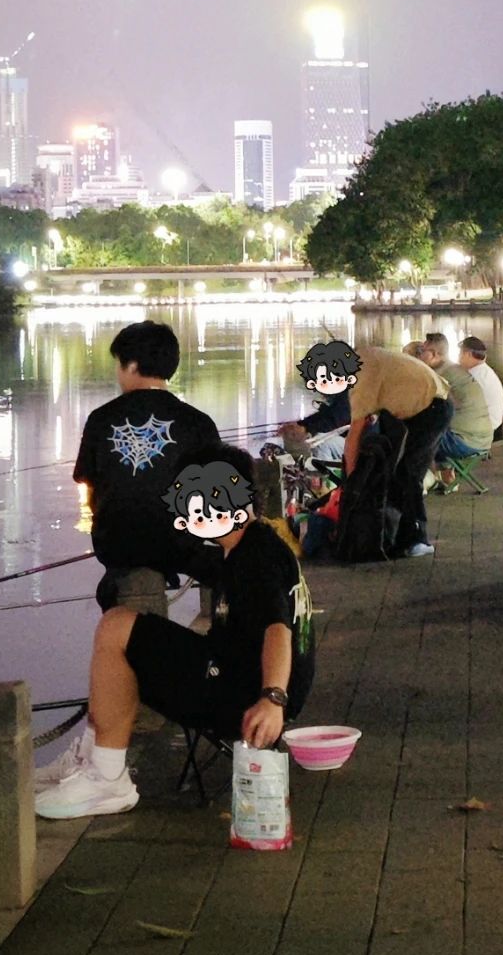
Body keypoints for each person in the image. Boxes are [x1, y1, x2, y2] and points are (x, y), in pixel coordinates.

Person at [35, 447, 314, 819]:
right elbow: (193, 559)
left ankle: (106, 777)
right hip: (240, 679)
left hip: (247, 699)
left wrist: (272, 699)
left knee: (117, 627)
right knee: (124, 638)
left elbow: (277, 630)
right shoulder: (250, 545)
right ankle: (93, 758)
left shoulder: (256, 559)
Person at [73, 322, 224, 608]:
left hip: (118, 546)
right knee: (227, 565)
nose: (118, 373)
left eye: (118, 365)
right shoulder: (198, 422)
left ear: (131, 366)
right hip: (181, 543)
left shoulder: (100, 419)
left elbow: (86, 479)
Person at [341, 344, 452, 557]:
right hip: (427, 402)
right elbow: (389, 388)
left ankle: (417, 538)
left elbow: (353, 436)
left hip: (431, 410)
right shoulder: (368, 354)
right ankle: (397, 535)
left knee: (409, 473)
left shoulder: (362, 377)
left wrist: (352, 480)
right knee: (397, 472)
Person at [410, 335, 492, 489]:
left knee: (414, 435)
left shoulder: (438, 376)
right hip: (482, 438)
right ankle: (446, 477)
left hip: (465, 441)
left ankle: (423, 481)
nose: (418, 355)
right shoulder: (453, 370)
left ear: (434, 354)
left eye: (422, 350)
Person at [276, 339, 361, 467]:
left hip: (363, 446)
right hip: (347, 440)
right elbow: (326, 414)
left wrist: (306, 429)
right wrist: (300, 425)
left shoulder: (355, 390)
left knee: (322, 445)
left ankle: (325, 483)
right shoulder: (342, 390)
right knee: (300, 440)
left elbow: (338, 420)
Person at [459, 336, 503, 440]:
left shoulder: (474, 377)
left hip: (482, 431)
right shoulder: (484, 372)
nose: (459, 359)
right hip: (492, 427)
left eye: (460, 354)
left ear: (468, 354)